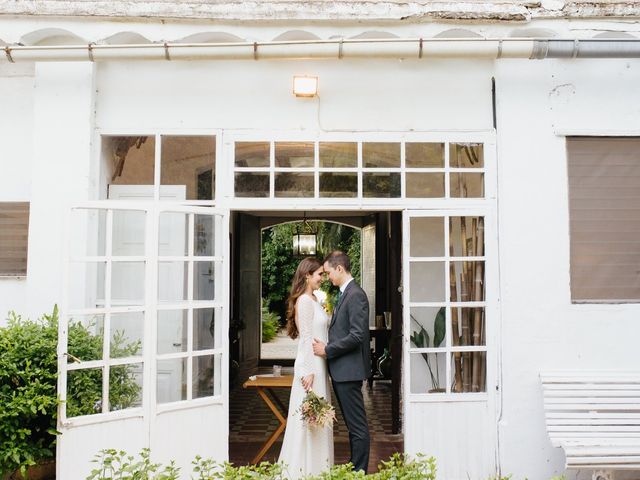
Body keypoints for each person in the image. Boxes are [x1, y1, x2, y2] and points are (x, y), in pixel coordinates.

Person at [312, 251, 371, 473]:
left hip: (349, 371)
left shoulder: (356, 295)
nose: (327, 277)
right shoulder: (345, 293)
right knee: (353, 425)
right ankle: (356, 467)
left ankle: (360, 471)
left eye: (328, 273)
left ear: (339, 269)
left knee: (357, 426)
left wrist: (327, 349)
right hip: (342, 371)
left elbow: (357, 336)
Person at [278, 257, 334, 478]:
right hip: (310, 365)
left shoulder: (315, 298)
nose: (323, 278)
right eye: (320, 274)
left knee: (318, 418)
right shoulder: (304, 301)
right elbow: (306, 338)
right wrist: (309, 371)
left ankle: (319, 467)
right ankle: (304, 470)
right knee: (309, 418)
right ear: (307, 276)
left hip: (319, 363)